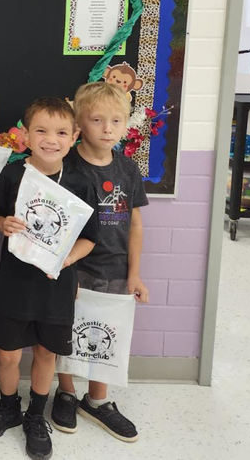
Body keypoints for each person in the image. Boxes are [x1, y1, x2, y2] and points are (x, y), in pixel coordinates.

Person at [0, 97, 98, 460]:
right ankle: (8, 405)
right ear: (25, 135)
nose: (51, 139)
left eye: (61, 132)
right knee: (7, 354)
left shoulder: (80, 181)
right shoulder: (13, 175)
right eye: (41, 131)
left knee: (46, 352)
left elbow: (90, 238)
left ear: (74, 137)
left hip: (56, 284)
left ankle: (35, 414)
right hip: (15, 281)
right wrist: (3, 224)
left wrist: (65, 261)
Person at [51, 82, 149, 442]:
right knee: (67, 332)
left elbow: (135, 224)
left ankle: (97, 399)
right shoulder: (66, 166)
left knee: (105, 333)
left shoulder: (127, 169)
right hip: (75, 268)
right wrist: (65, 268)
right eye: (97, 120)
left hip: (116, 270)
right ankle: (65, 392)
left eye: (116, 121)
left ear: (126, 124)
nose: (108, 129)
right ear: (79, 123)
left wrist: (135, 274)